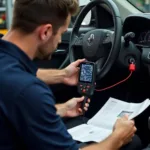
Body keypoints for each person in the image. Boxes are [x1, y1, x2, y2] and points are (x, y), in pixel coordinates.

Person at [0, 0, 141, 150]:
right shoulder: (30, 91)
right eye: (61, 33)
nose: (60, 40)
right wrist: (118, 137)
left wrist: (61, 106)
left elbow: (14, 80)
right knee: (134, 142)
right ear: (46, 32)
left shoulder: (9, 66)